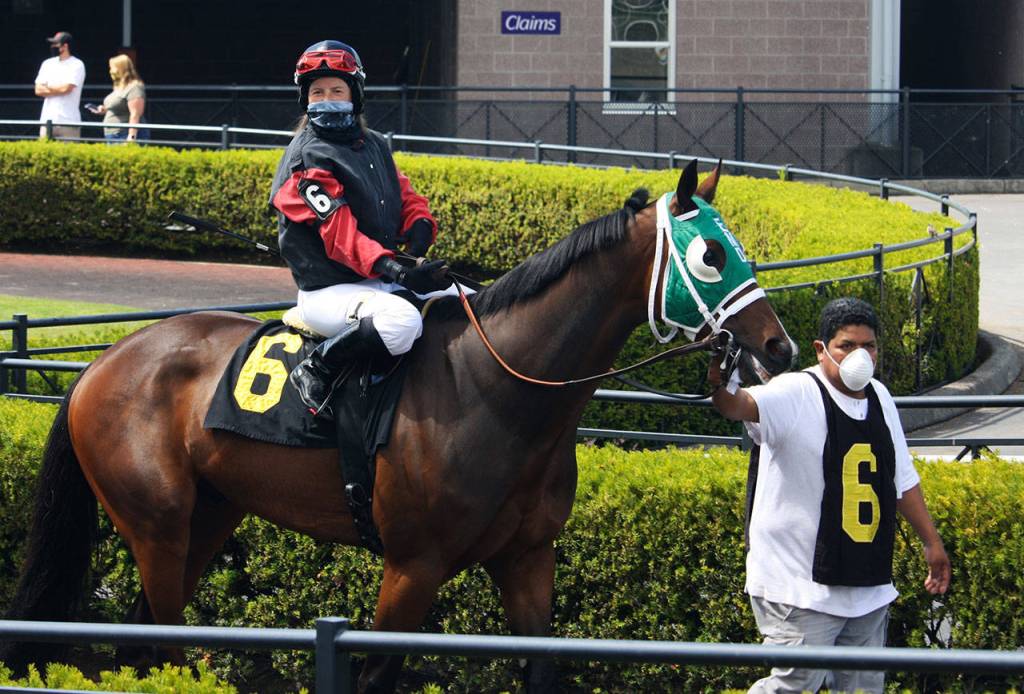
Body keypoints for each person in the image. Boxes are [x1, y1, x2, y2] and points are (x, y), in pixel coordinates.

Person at [709, 297, 951, 694]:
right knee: (794, 686)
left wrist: (932, 543)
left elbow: (901, 481)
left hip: (866, 587)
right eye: (847, 346)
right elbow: (738, 406)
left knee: (863, 690)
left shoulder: (880, 398)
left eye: (868, 346)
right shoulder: (794, 393)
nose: (860, 356)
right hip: (799, 588)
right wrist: (720, 380)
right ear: (822, 349)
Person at [269, 40, 458, 416]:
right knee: (401, 322)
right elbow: (340, 236)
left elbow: (404, 195)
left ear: (354, 94)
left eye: (336, 90)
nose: (327, 98)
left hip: (378, 281)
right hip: (329, 292)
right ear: (304, 99)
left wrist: (420, 227)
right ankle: (317, 368)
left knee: (465, 298)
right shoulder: (306, 159)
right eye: (317, 92)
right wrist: (396, 268)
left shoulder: (373, 144)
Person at [33, 31, 86, 140]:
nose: (52, 46)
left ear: (65, 46)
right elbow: (38, 90)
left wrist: (48, 87)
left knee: (69, 155)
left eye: (55, 44)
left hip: (68, 121)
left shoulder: (77, 64)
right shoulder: (47, 63)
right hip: (47, 120)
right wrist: (58, 88)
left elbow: (66, 89)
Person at [89, 54, 147, 143]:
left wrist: (131, 138)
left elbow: (135, 114)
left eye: (112, 68)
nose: (110, 71)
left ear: (120, 68)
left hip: (122, 134)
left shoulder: (134, 87)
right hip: (113, 134)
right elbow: (117, 106)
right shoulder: (119, 87)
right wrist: (104, 109)